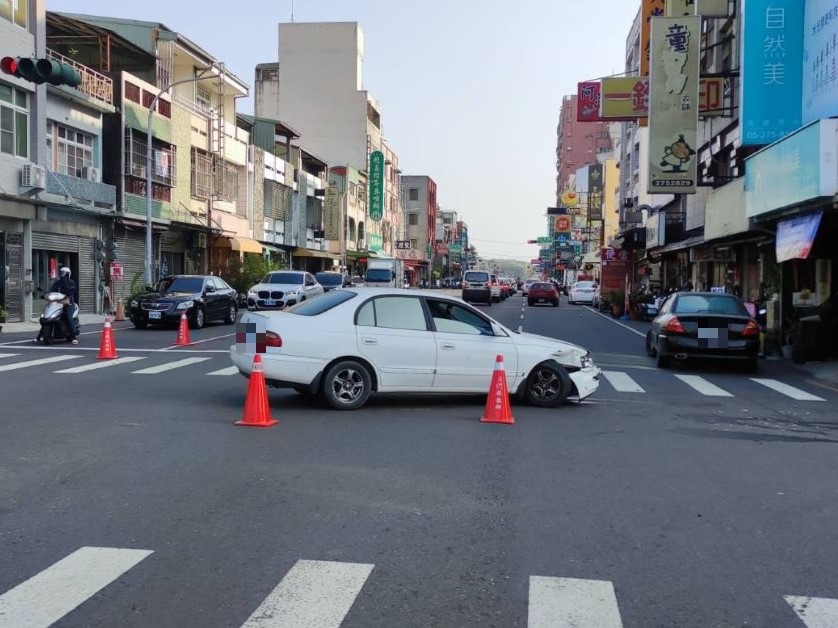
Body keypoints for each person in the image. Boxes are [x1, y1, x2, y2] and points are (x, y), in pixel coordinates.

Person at [37, 267, 78, 344]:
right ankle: (39, 336)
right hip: (57, 302)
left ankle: (73, 337)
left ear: (68, 274)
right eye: (61, 272)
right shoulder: (57, 282)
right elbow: (51, 289)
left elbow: (71, 292)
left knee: (68, 316)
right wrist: (46, 294)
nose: (62, 274)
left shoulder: (71, 283)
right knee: (46, 317)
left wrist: (67, 296)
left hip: (68, 303)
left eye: (63, 273)